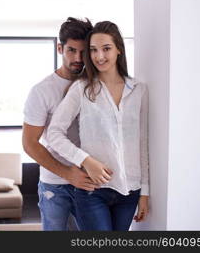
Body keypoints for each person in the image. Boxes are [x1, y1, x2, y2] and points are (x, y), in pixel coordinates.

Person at [47, 21, 150, 231]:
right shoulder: (82, 88)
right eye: (93, 50)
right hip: (93, 191)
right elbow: (54, 133)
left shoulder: (138, 89)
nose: (99, 56)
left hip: (129, 191)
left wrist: (145, 191)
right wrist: (86, 160)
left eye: (106, 48)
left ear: (119, 49)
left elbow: (142, 141)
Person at [22, 17, 96, 231]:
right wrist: (68, 173)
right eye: (72, 50)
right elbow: (29, 144)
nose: (78, 58)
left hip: (92, 184)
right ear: (59, 48)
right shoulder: (42, 91)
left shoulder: (97, 85)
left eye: (84, 52)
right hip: (55, 185)